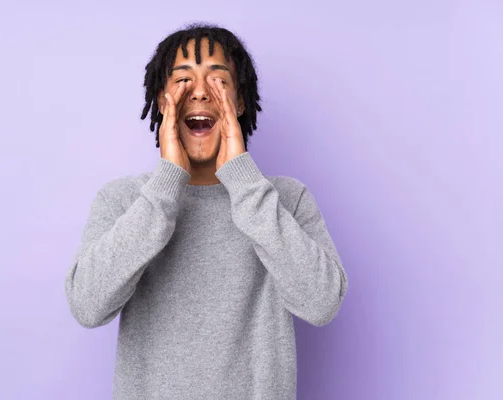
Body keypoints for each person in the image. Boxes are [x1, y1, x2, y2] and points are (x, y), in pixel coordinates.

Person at [65, 22, 348, 400]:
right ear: (162, 100)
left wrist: (244, 180)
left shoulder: (284, 199)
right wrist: (167, 182)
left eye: (218, 80)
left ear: (240, 101)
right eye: (182, 80)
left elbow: (322, 302)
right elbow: (87, 306)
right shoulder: (124, 200)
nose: (199, 92)